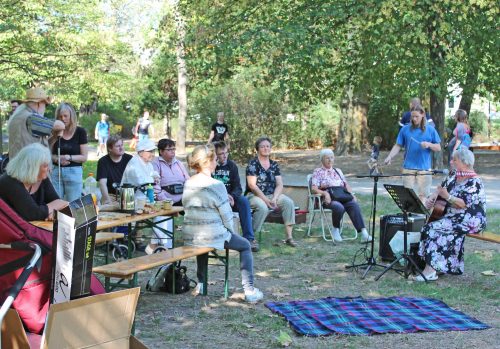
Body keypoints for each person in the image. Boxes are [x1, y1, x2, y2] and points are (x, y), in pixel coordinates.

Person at [182, 144, 264, 302]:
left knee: (202, 244)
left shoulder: (188, 183)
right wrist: (232, 233)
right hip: (212, 234)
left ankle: (201, 284)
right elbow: (227, 218)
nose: (216, 163)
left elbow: (186, 207)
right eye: (214, 159)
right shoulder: (216, 185)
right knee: (245, 245)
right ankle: (250, 290)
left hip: (191, 234)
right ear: (208, 162)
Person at [414, 148, 486, 281]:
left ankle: (430, 271)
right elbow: (440, 189)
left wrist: (447, 196)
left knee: (433, 229)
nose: (451, 162)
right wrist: (432, 198)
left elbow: (463, 204)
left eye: (455, 160)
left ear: (464, 162)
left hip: (470, 219)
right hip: (452, 217)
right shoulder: (454, 176)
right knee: (428, 227)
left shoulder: (475, 182)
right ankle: (435, 267)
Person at [311, 149, 372, 243]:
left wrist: (351, 194)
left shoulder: (338, 171)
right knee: (339, 207)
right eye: (327, 158)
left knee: (353, 204)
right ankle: (335, 229)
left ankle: (363, 233)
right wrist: (325, 193)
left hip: (342, 196)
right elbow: (314, 188)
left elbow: (346, 184)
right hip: (327, 199)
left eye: (331, 157)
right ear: (322, 160)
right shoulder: (318, 171)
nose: (330, 160)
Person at [246, 137, 297, 247]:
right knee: (263, 207)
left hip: (271, 195)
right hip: (254, 196)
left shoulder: (274, 165)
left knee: (288, 202)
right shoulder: (253, 164)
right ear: (257, 149)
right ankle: (250, 238)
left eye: (268, 146)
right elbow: (252, 185)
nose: (266, 148)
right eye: (262, 146)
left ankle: (289, 237)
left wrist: (274, 198)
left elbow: (279, 184)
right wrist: (266, 200)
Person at [384, 105, 441, 200]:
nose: (414, 119)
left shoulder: (430, 130)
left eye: (416, 116)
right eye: (412, 116)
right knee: (407, 195)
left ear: (422, 114)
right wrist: (389, 157)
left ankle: (422, 215)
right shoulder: (405, 129)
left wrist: (428, 144)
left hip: (424, 168)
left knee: (423, 195)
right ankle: (408, 214)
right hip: (408, 167)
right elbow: (398, 145)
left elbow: (438, 147)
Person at [0, 143, 68, 221]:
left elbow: (56, 201)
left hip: (28, 229)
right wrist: (56, 205)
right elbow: (34, 214)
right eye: (45, 166)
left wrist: (54, 212)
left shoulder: (40, 178)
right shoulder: (10, 182)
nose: (49, 169)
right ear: (33, 168)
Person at [213, 141, 259, 252]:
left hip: (231, 200)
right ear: (215, 155)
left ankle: (249, 238)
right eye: (221, 154)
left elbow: (238, 187)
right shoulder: (211, 167)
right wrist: (223, 197)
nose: (224, 156)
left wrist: (232, 196)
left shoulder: (231, 166)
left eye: (226, 153)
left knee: (243, 201)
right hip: (215, 200)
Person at [7, 87, 65, 159]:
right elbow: (60, 125)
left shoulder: (19, 115)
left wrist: (55, 136)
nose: (45, 108)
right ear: (39, 104)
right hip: (30, 168)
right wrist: (60, 129)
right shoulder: (32, 118)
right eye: (45, 105)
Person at [48, 103, 88, 202]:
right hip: (56, 171)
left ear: (72, 116)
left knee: (73, 205)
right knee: (56, 203)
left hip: (74, 172)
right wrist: (57, 159)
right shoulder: (53, 131)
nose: (63, 119)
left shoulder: (80, 132)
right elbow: (47, 153)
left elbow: (84, 157)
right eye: (60, 116)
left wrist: (67, 157)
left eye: (66, 116)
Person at [96, 135, 132, 204]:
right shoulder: (103, 161)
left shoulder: (129, 159)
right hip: (110, 196)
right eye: (118, 146)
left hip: (128, 195)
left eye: (122, 145)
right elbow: (102, 183)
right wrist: (107, 200)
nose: (121, 148)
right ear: (110, 148)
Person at [152, 138, 189, 206]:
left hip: (183, 200)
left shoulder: (179, 163)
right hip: (165, 202)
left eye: (173, 149)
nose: (172, 152)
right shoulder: (156, 163)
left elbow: (188, 180)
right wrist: (166, 201)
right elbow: (155, 187)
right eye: (169, 150)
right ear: (161, 151)